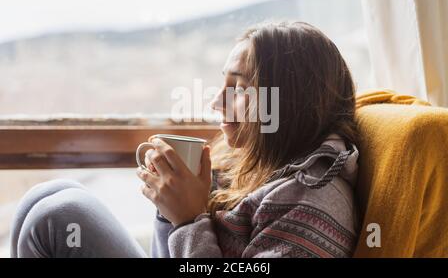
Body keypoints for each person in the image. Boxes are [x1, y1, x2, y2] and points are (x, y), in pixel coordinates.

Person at [10, 22, 360, 258]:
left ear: (287, 100)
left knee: (58, 215)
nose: (215, 102)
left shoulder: (313, 202)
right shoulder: (256, 166)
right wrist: (170, 209)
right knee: (48, 195)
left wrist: (188, 220)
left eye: (238, 88)